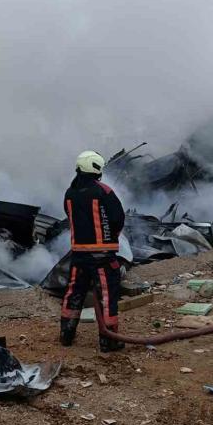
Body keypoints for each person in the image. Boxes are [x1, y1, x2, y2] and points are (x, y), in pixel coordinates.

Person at [60, 150, 126, 352]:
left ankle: (66, 335)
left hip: (78, 255)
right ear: (97, 168)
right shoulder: (103, 192)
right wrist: (109, 238)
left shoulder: (69, 194)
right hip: (102, 257)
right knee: (107, 296)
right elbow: (118, 219)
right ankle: (109, 340)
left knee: (73, 293)